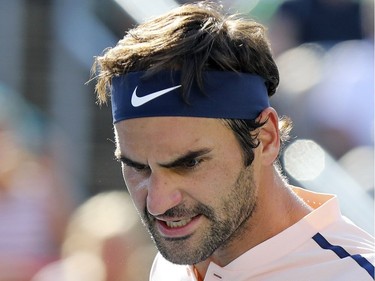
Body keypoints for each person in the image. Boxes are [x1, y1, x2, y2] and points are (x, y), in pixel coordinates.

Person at [91, 2, 374, 280]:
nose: (158, 203)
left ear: (265, 138)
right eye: (138, 167)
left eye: (189, 163)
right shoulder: (176, 259)